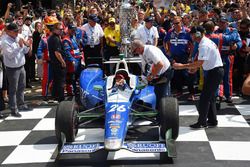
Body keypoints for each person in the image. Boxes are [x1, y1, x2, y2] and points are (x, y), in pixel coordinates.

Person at [173, 26, 224, 129]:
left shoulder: (204, 44)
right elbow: (203, 62)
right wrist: (195, 68)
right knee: (210, 97)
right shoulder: (204, 42)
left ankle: (202, 122)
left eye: (193, 34)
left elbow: (200, 62)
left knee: (204, 98)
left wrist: (182, 66)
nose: (191, 36)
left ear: (197, 34)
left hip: (214, 72)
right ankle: (212, 120)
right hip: (214, 71)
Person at [1, 23, 33, 117]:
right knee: (13, 89)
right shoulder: (5, 41)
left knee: (22, 86)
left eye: (18, 30)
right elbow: (10, 55)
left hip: (21, 65)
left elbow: (25, 51)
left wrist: (28, 45)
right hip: (12, 68)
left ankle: (21, 104)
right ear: (9, 32)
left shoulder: (18, 36)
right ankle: (13, 109)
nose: (17, 32)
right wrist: (19, 46)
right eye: (15, 31)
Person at [131, 39, 172, 109]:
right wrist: (144, 77)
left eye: (135, 51)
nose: (135, 53)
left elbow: (160, 64)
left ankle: (162, 113)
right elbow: (144, 66)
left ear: (139, 48)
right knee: (154, 91)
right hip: (157, 72)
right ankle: (156, 108)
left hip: (165, 72)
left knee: (160, 93)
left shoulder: (150, 51)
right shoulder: (142, 53)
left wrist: (152, 76)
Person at [47, 22, 66, 102]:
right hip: (57, 62)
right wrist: (62, 62)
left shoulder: (53, 37)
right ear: (55, 30)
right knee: (60, 80)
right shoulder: (55, 39)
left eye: (62, 29)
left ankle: (55, 95)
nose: (62, 31)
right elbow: (57, 52)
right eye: (60, 29)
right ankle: (60, 97)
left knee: (56, 80)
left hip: (54, 62)